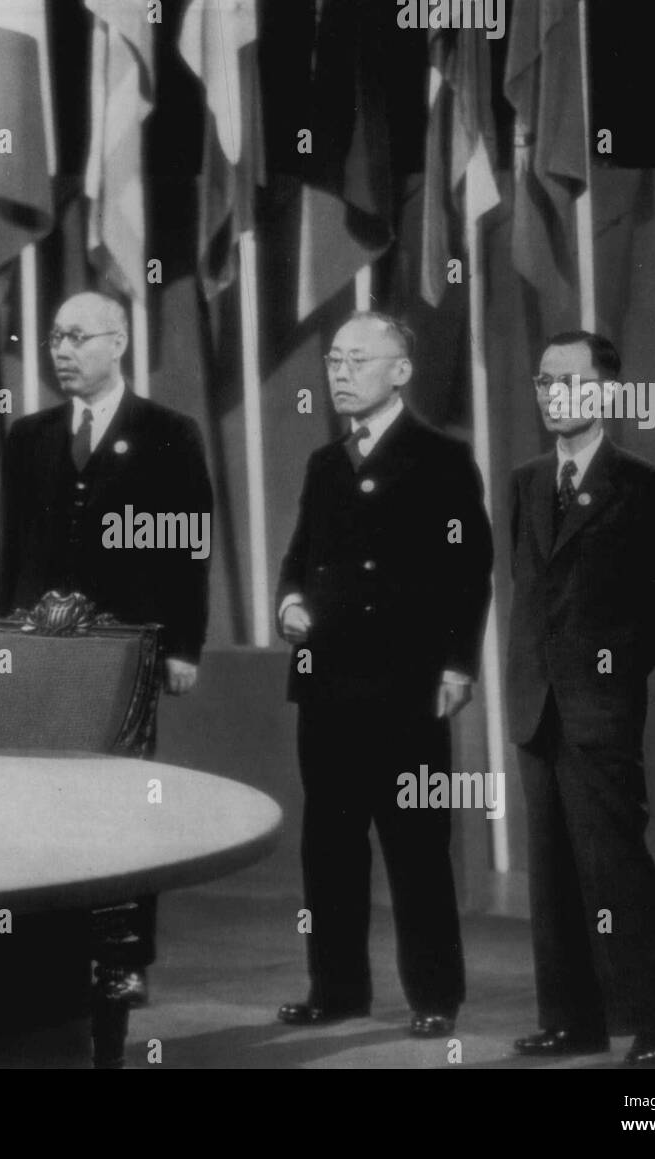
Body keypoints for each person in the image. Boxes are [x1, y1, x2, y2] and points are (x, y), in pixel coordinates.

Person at [0, 290, 214, 1005]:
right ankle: (46, 952)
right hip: (43, 650)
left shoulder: (168, 431)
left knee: (120, 808)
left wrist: (185, 646)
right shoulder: (28, 435)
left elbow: (189, 547)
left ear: (117, 343)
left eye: (77, 336)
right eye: (54, 336)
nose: (61, 349)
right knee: (41, 801)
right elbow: (11, 547)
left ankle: (122, 958)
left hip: (130, 647)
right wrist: (3, 640)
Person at [275, 311, 493, 1036]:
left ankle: (435, 996)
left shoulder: (440, 456)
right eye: (334, 360)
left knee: (415, 847)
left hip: (406, 685)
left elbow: (470, 572)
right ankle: (335, 988)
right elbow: (300, 557)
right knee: (330, 848)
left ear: (400, 371)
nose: (339, 372)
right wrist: (289, 604)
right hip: (329, 684)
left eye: (357, 360)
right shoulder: (325, 464)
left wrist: (459, 663)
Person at [508, 330, 655, 1067]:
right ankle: (570, 1020)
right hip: (535, 706)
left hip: (598, 707)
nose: (554, 394)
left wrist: (612, 672)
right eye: (544, 381)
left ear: (605, 391)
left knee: (615, 866)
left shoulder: (641, 485)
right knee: (551, 876)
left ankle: (650, 1026)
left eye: (569, 381)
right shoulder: (523, 481)